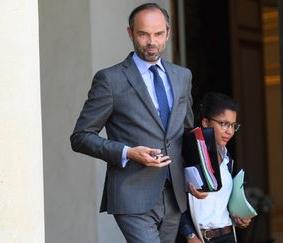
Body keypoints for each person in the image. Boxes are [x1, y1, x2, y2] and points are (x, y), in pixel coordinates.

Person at [70, 3, 199, 243]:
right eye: (143, 34)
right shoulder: (110, 80)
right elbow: (80, 137)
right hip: (132, 194)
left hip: (174, 195)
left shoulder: (183, 76)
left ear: (168, 33)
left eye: (159, 34)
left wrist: (194, 175)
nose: (152, 41)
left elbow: (186, 132)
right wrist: (128, 152)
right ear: (130, 33)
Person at [178, 92, 252, 243]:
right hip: (199, 238)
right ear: (206, 122)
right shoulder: (186, 155)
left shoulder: (227, 158)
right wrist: (189, 235)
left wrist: (238, 216)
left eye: (233, 125)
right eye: (224, 124)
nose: (230, 131)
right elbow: (171, 199)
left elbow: (219, 203)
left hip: (228, 236)